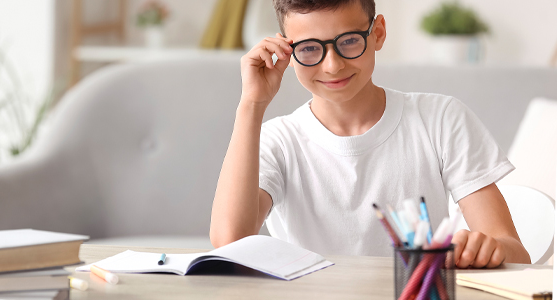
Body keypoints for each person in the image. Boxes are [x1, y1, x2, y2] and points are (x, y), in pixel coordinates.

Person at [209, 0, 531, 268]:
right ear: (287, 53)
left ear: (377, 33)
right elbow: (229, 243)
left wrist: (489, 249)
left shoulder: (441, 120)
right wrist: (251, 104)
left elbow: (517, 254)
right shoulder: (278, 141)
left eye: (349, 41)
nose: (333, 65)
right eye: (309, 48)